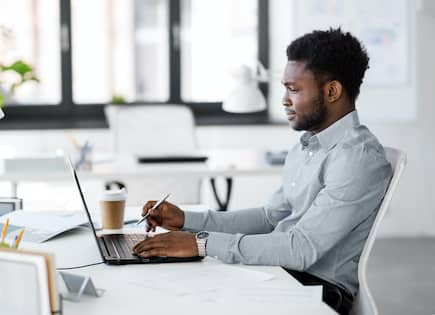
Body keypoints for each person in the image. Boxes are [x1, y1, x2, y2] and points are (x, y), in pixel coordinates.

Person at [132, 28, 393, 315]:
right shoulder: (307, 146)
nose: (284, 99)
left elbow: (302, 249)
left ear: (332, 91)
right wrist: (187, 220)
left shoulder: (357, 158)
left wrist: (201, 243)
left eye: (294, 89)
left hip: (317, 291)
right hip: (281, 272)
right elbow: (270, 217)